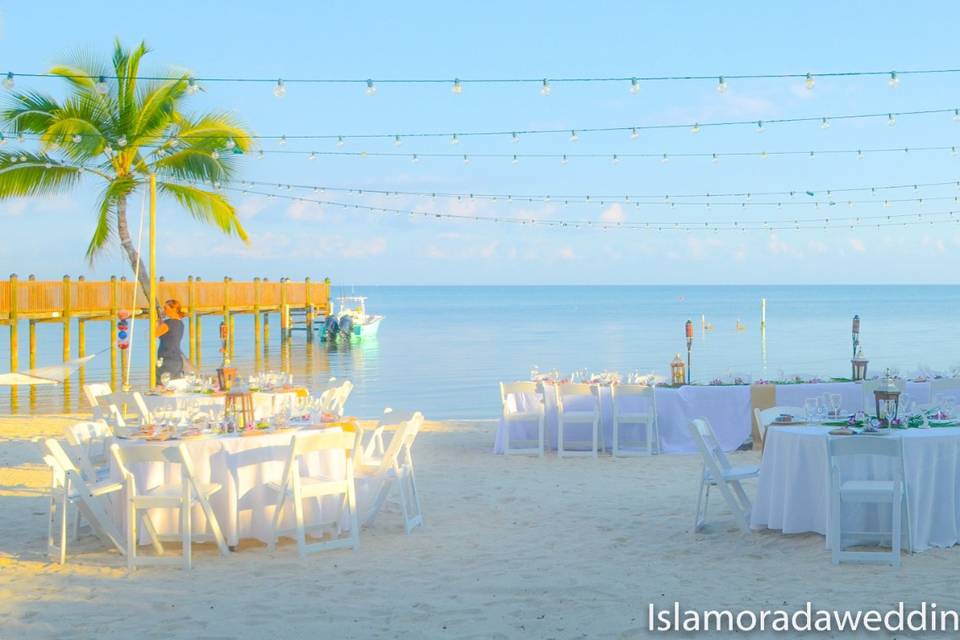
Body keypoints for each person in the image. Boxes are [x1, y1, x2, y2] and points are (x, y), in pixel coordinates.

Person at [156, 299, 186, 384]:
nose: (164, 311)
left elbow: (152, 334)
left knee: (162, 386)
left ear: (174, 309)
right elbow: (168, 337)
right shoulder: (180, 323)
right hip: (177, 359)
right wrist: (160, 321)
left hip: (167, 359)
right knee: (175, 386)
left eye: (166, 308)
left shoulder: (169, 323)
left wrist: (156, 321)